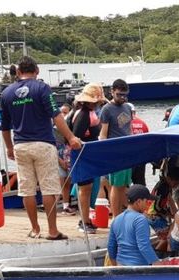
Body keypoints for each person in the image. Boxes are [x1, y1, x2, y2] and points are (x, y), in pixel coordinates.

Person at [1, 56, 82, 240]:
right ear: (36, 71)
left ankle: (35, 229)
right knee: (48, 189)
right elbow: (56, 116)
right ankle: (52, 230)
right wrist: (70, 138)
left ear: (18, 72)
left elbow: (5, 126)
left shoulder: (7, 93)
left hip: (20, 145)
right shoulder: (42, 88)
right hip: (43, 144)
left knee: (27, 190)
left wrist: (8, 148)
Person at [69, 83, 106, 234]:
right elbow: (76, 136)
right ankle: (84, 221)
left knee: (87, 189)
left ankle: (86, 220)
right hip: (83, 157)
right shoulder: (83, 114)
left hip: (86, 156)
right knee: (84, 190)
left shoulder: (84, 112)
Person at [99, 79, 134, 219]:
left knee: (124, 185)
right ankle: (116, 216)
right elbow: (103, 133)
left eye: (125, 95)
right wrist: (105, 152)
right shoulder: (107, 109)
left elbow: (129, 129)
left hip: (127, 151)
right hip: (115, 151)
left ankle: (122, 213)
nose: (122, 98)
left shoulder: (127, 107)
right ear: (112, 92)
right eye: (119, 94)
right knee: (115, 184)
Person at [107, 184, 160, 266]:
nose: (147, 205)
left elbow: (111, 247)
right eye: (146, 202)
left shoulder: (116, 219)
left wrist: (115, 267)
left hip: (120, 265)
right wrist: (158, 264)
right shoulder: (140, 219)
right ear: (138, 202)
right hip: (138, 269)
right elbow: (144, 246)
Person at [147, 165, 179, 251]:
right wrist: (168, 214)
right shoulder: (163, 188)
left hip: (152, 214)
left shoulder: (163, 184)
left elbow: (165, 203)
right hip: (154, 215)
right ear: (170, 179)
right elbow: (157, 207)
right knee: (168, 236)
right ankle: (155, 255)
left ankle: (152, 250)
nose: (176, 186)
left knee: (163, 235)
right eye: (176, 183)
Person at [55, 103, 75, 215]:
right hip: (59, 157)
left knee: (68, 182)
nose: (62, 115)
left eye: (65, 112)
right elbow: (52, 147)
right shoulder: (54, 129)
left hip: (70, 157)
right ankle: (58, 205)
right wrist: (59, 160)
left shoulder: (71, 126)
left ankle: (66, 205)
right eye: (61, 112)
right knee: (60, 181)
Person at [129, 103, 150, 187]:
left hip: (127, 159)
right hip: (140, 159)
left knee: (124, 186)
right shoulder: (143, 124)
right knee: (140, 184)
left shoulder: (122, 124)